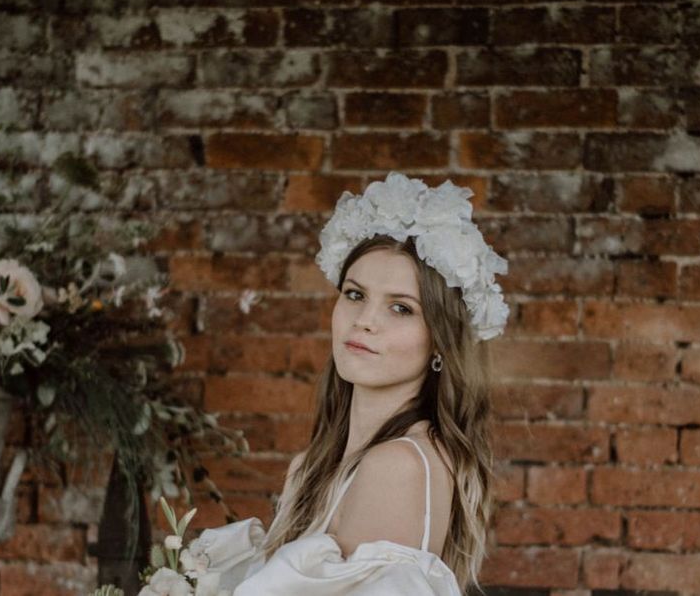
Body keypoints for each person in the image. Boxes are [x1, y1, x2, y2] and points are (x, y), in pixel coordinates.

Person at [182, 173, 509, 596]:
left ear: (441, 343)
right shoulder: (315, 464)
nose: (365, 320)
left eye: (400, 308)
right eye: (355, 295)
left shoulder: (397, 465)